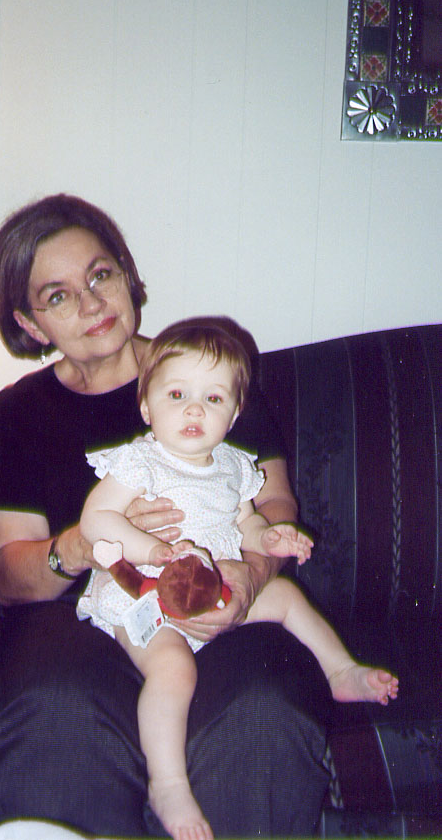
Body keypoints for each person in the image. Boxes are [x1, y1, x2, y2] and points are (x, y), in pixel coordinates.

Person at [0, 192, 332, 838]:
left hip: (220, 604)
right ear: (31, 326)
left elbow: (276, 504)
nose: (90, 304)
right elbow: (8, 572)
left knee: (261, 712)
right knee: (57, 712)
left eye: (99, 275)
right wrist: (84, 546)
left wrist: (247, 578)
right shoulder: (18, 416)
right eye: (57, 296)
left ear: (125, 274)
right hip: (88, 616)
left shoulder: (206, 374)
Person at [78, 318, 399, 840]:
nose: (194, 410)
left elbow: (248, 521)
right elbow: (97, 521)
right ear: (146, 406)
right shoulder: (139, 462)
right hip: (148, 594)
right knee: (174, 670)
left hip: (218, 591)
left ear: (232, 415)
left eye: (214, 398)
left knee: (288, 596)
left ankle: (340, 670)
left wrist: (274, 539)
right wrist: (154, 549)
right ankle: (168, 783)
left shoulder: (233, 466)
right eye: (177, 394)